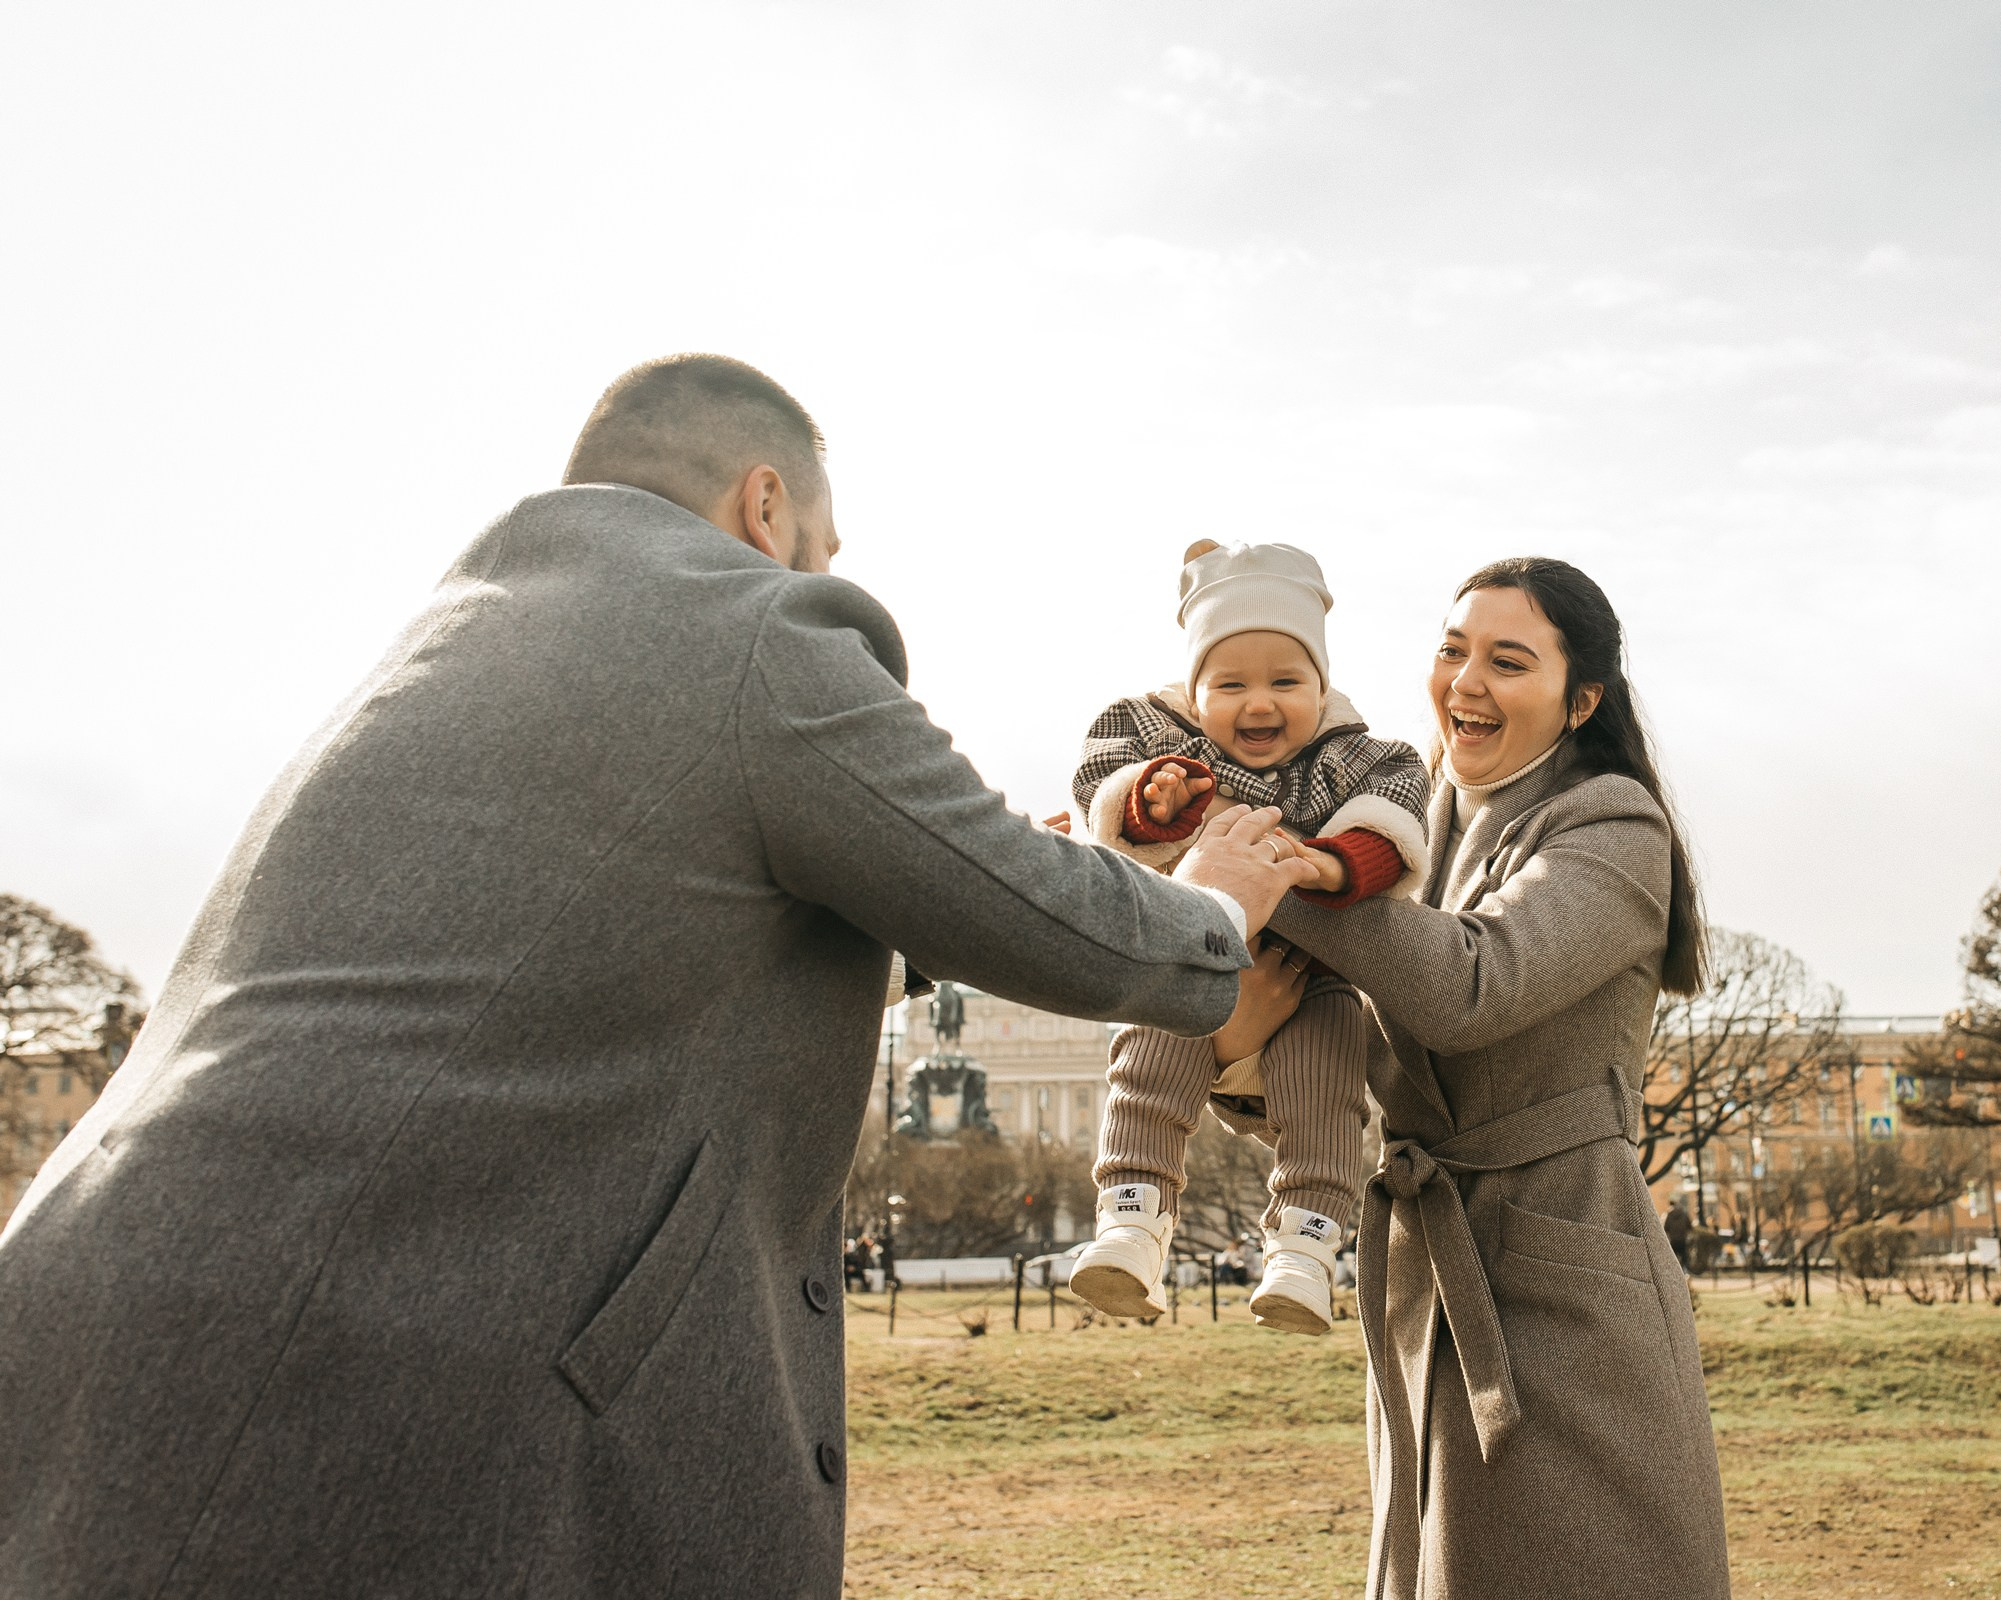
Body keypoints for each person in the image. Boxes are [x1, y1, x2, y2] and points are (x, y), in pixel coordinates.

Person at [0, 354, 1318, 1599]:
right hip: (381, 1367)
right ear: (763, 503)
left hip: (91, 1326)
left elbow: (616, 941)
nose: (824, 563)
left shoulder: (454, 646)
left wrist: (923, 913)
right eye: (823, 534)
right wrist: (1212, 900)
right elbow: (1071, 931)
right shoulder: (757, 624)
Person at [1267, 556, 1733, 1599]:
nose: (1465, 681)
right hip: (1428, 1269)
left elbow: (1468, 987)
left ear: (1583, 698)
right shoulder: (1398, 827)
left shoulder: (1615, 824)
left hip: (1564, 1278)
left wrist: (1269, 870)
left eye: (1507, 660)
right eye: (1452, 649)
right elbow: (1342, 1039)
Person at [1067, 539, 1428, 1336]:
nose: (1258, 703)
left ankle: (1305, 1241)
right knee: (1152, 1054)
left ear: (1322, 685)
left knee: (1328, 1078)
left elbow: (1397, 815)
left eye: (1285, 681)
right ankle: (1131, 1215)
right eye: (1230, 683)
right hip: (1192, 951)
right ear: (1195, 692)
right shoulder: (1159, 735)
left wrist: (1332, 866)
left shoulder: (1354, 756)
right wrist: (1150, 803)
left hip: (1313, 973)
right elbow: (1104, 786)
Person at [1665, 1199, 1694, 1272]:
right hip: (1682, 1240)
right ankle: (1685, 1274)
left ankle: (1672, 1273)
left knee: (1672, 1259)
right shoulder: (1684, 1214)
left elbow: (1666, 1228)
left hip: (1673, 1240)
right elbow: (1690, 1227)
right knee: (1684, 1259)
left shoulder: (1669, 1214)